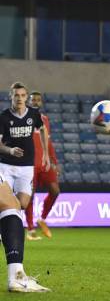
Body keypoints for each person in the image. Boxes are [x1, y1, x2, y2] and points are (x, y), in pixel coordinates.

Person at [0, 83, 50, 241]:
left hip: (26, 166)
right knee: (4, 201)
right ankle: (5, 232)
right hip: (6, 165)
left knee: (22, 204)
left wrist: (46, 154)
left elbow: (42, 130)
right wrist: (10, 150)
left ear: (26, 97)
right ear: (11, 97)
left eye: (22, 95)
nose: (20, 98)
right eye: (16, 95)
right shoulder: (4, 117)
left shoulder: (34, 114)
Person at [25, 91, 59, 239]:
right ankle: (31, 229)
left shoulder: (45, 119)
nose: (36, 102)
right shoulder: (23, 119)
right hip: (29, 163)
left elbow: (48, 142)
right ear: (29, 102)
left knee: (55, 191)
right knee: (30, 195)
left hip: (44, 163)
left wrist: (54, 162)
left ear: (41, 103)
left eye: (38, 100)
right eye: (33, 100)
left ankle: (42, 219)